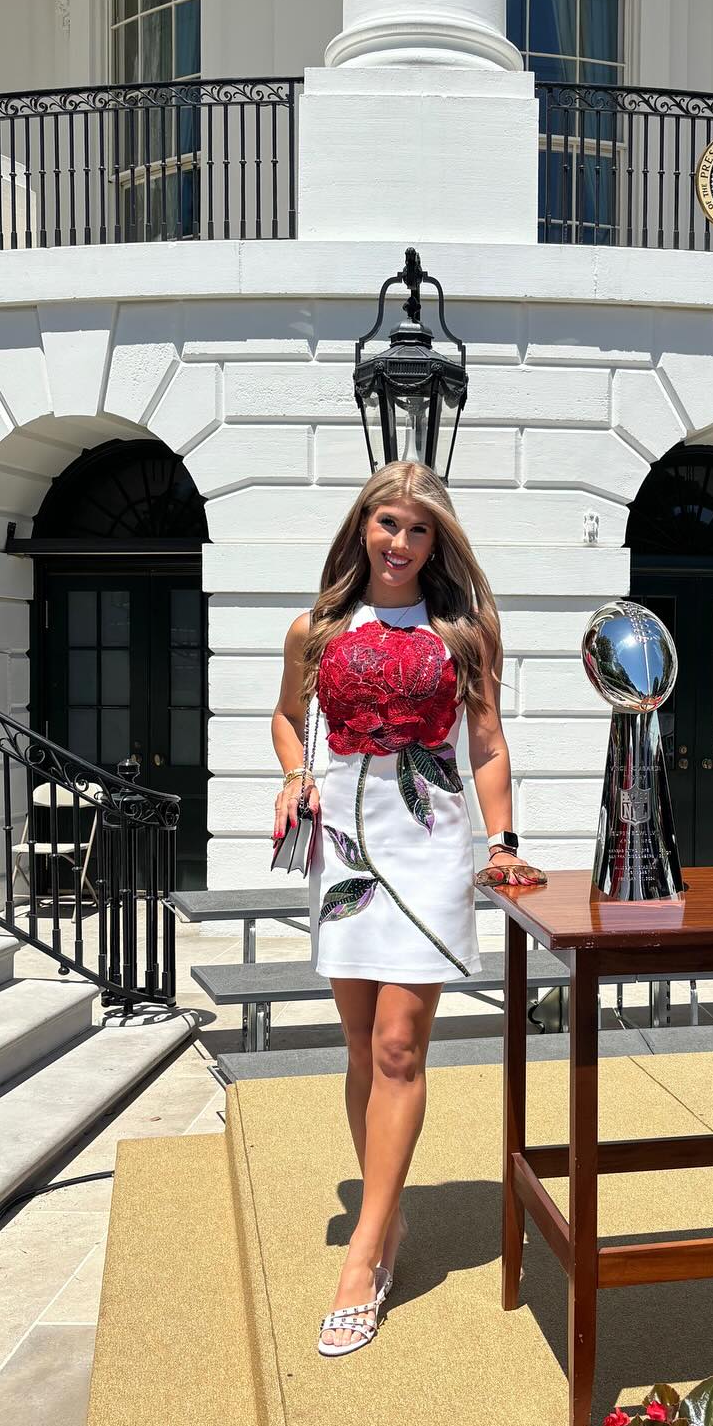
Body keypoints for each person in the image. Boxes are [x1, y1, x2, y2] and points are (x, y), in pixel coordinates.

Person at [272, 460, 545, 1358]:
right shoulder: (315, 630)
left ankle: (361, 1257)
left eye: (418, 528)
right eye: (386, 523)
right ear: (362, 528)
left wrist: (501, 844)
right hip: (346, 846)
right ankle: (386, 1219)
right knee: (359, 1043)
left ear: (439, 541)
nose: (399, 542)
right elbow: (285, 719)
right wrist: (295, 772)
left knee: (398, 1043)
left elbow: (488, 744)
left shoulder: (465, 635)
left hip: (428, 846)